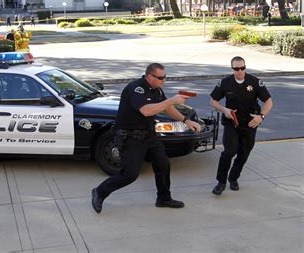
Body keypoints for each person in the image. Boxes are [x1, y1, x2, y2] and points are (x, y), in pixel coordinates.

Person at [91, 63, 202, 213]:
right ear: (149, 76)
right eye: (161, 77)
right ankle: (100, 192)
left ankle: (163, 198)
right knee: (129, 174)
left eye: (165, 77)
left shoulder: (156, 89)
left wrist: (186, 121)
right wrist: (171, 100)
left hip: (149, 135)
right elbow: (146, 111)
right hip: (130, 137)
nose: (164, 80)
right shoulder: (136, 89)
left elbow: (167, 108)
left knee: (162, 164)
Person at [210, 56, 273, 195]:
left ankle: (233, 178)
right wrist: (224, 110)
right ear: (232, 68)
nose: (240, 71)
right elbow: (213, 101)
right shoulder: (225, 83)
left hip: (250, 123)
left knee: (244, 154)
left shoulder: (255, 82)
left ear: (245, 67)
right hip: (232, 122)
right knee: (229, 152)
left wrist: (261, 116)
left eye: (242, 68)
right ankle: (221, 182)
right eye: (236, 68)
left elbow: (269, 101)